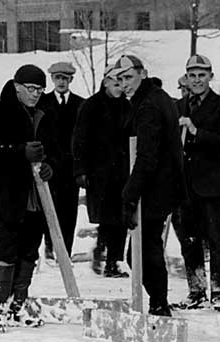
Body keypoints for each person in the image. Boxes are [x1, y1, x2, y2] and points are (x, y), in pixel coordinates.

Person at [0, 64, 57, 332]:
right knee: (7, 248)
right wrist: (19, 151)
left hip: (36, 195)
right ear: (17, 87)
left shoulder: (44, 115)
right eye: (31, 89)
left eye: (40, 89)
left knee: (30, 250)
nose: (36, 94)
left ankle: (17, 304)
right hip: (9, 194)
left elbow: (54, 151)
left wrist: (50, 167)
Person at [113, 55, 186, 316]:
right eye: (120, 79)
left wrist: (130, 194)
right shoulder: (157, 97)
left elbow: (146, 156)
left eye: (129, 77)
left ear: (142, 73)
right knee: (146, 248)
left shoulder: (148, 106)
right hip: (162, 186)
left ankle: (159, 305)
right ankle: (159, 302)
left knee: (142, 252)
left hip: (154, 189)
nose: (125, 84)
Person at [175, 55, 220, 311]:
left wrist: (197, 131)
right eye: (192, 75)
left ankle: (218, 291)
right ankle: (196, 289)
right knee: (189, 239)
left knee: (215, 239)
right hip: (185, 185)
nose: (197, 80)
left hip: (211, 184)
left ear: (211, 76)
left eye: (202, 75)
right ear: (186, 78)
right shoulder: (179, 107)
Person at [72, 64, 130, 278]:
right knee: (106, 217)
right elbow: (79, 140)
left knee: (122, 217)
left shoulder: (127, 105)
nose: (120, 87)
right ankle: (102, 251)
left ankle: (114, 261)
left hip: (123, 172)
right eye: (116, 83)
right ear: (105, 82)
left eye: (123, 83)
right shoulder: (91, 106)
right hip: (99, 173)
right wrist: (80, 170)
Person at [40, 62, 84, 262]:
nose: (61, 82)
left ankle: (65, 251)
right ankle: (50, 247)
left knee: (69, 210)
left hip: (71, 168)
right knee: (50, 207)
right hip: (49, 167)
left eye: (65, 78)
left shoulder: (80, 104)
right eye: (58, 78)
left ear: (71, 80)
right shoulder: (42, 102)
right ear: (52, 80)